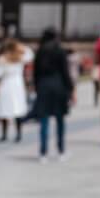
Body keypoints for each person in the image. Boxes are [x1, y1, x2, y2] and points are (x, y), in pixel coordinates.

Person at [31, 28, 74, 163]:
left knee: (44, 121)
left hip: (43, 86)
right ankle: (61, 150)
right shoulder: (60, 51)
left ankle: (43, 152)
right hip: (59, 86)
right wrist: (71, 89)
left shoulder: (40, 52)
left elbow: (35, 73)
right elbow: (65, 72)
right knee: (60, 120)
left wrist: (37, 88)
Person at [0, 39, 33, 143]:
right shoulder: (20, 58)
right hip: (18, 85)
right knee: (18, 110)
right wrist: (22, 46)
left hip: (6, 84)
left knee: (4, 110)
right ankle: (18, 134)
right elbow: (30, 54)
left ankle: (4, 135)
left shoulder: (2, 59)